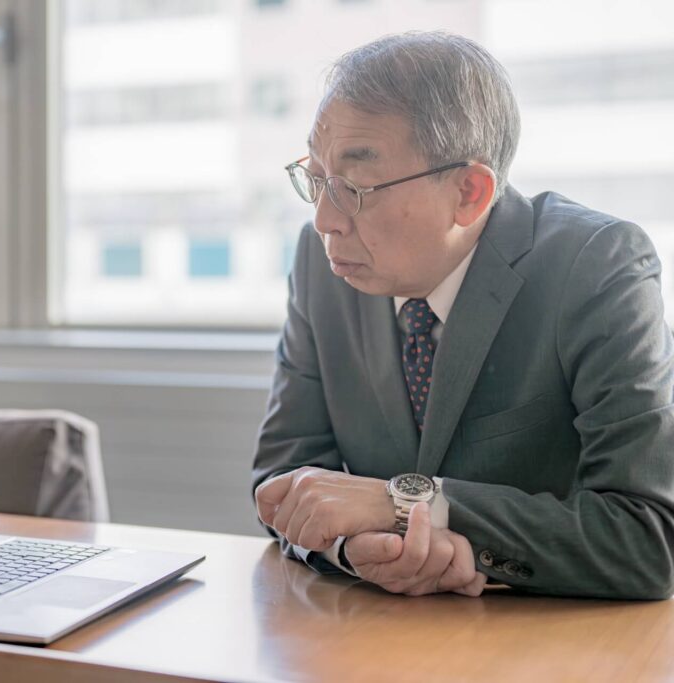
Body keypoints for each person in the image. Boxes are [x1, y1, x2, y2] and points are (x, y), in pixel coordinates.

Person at [251, 31, 674, 599]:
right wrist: (355, 547)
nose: (326, 219)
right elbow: (283, 482)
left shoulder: (595, 265)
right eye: (319, 178)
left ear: (470, 193)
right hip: (377, 637)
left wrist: (413, 504)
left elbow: (650, 538)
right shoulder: (319, 263)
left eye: (352, 186)